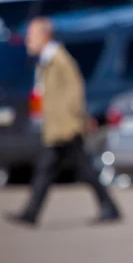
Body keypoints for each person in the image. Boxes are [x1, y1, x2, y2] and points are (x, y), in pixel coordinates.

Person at [6, 17, 120, 226]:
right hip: (59, 128)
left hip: (65, 129)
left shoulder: (59, 59)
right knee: (54, 170)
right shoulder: (48, 60)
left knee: (76, 170)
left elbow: (74, 94)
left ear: (45, 36)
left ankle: (32, 213)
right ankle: (32, 212)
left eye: (31, 36)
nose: (27, 41)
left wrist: (75, 122)